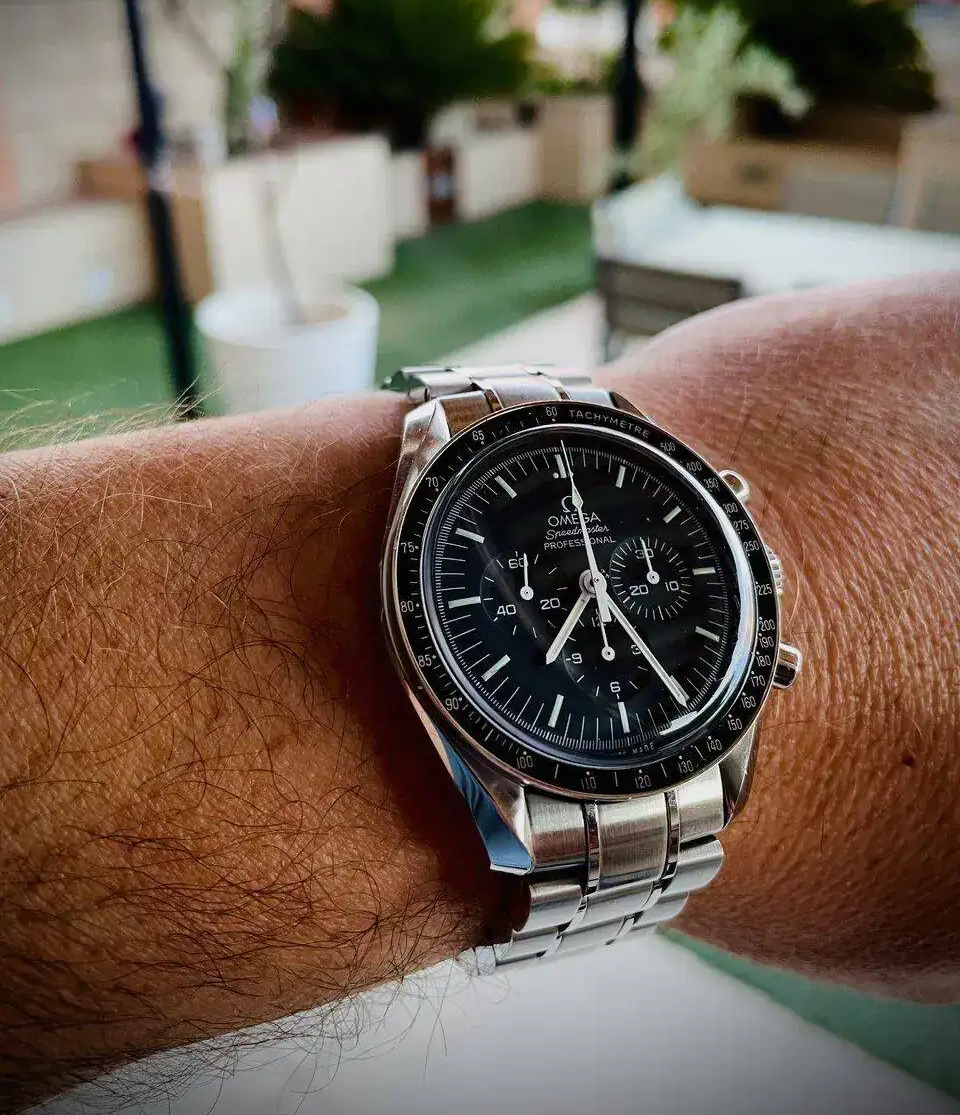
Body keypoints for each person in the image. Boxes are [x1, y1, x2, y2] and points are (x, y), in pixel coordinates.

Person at [0, 273, 957, 1113]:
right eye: (587, 578)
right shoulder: (442, 484)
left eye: (612, 576)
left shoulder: (719, 622)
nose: (597, 583)